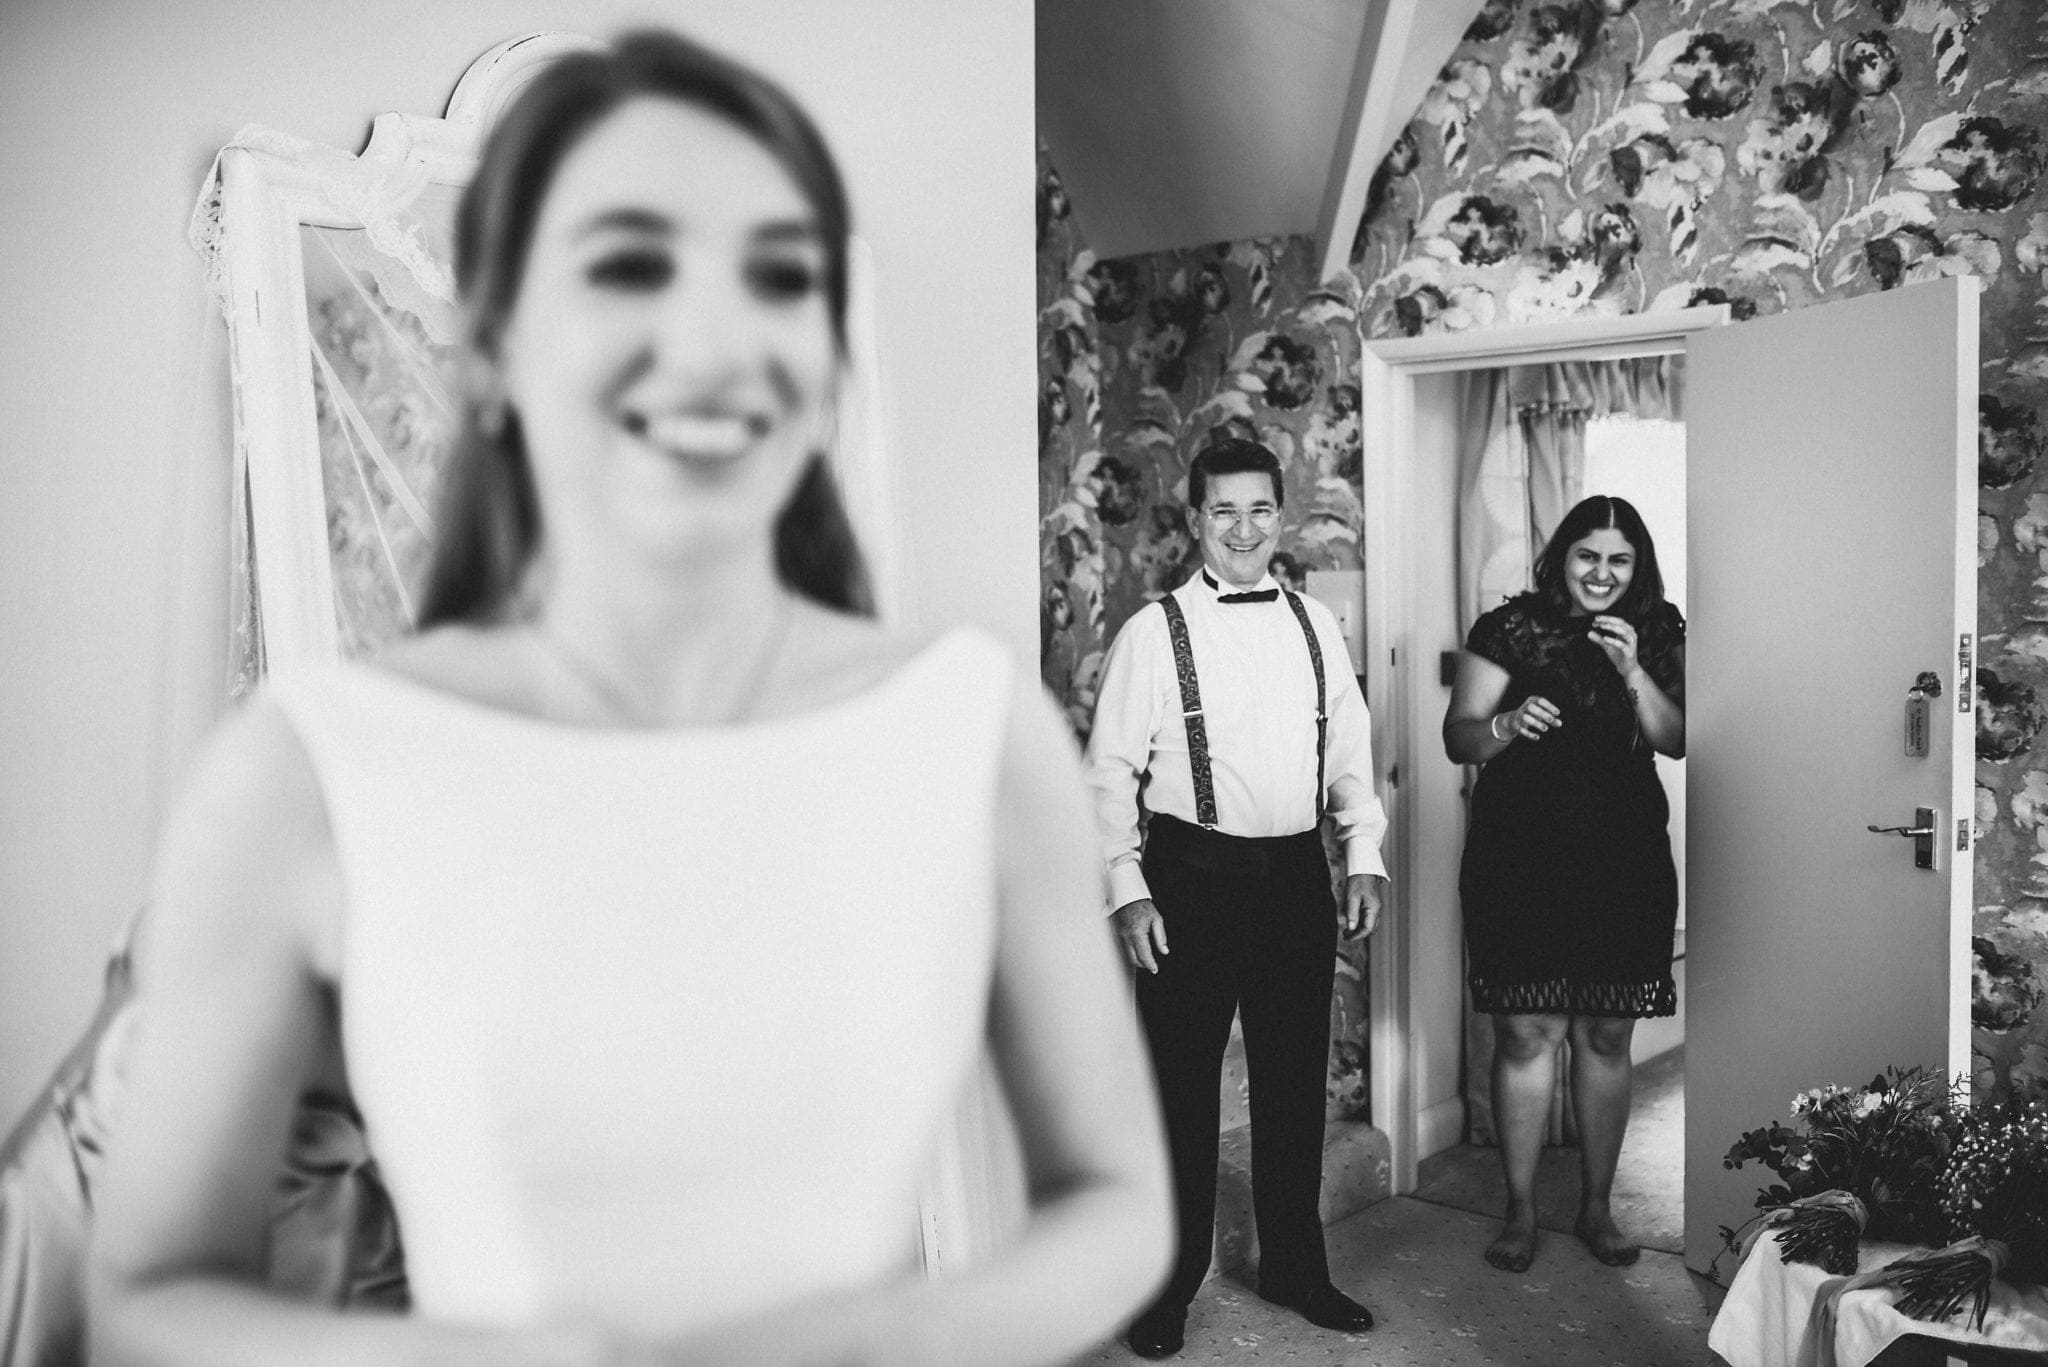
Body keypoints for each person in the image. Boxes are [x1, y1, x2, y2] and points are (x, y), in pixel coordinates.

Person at [85, 30, 1171, 1367]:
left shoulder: (973, 729)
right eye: (628, 265)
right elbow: (147, 1289)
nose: (714, 340)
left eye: (778, 276)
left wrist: (908, 1331)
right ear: (488, 352)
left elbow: (1118, 1204)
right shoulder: (307, 772)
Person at [1084, 437, 1389, 1360]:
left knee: (1294, 1084)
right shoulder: (1153, 631)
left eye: (1260, 509)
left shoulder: (1314, 626)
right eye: (1224, 511)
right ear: (1194, 520)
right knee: (1178, 1092)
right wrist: (1128, 889)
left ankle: (1296, 1266)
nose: (1245, 528)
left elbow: (1349, 753)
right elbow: (1107, 776)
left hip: (1296, 877)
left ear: (1281, 515)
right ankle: (1167, 1284)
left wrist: (1362, 852)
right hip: (1189, 880)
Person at [1440, 493, 1685, 1274]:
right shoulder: (1508, 628)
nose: (1603, 573)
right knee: (1525, 1032)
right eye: (1588, 556)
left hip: (1624, 859)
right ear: (1561, 556)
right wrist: (1505, 727)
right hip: (1519, 856)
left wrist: (1631, 666)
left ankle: (1597, 1206)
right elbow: (1459, 735)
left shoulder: (1662, 630)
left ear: (1636, 566)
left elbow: (1677, 739)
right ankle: (1519, 1208)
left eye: (1619, 559)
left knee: (1606, 1033)